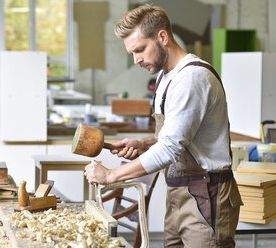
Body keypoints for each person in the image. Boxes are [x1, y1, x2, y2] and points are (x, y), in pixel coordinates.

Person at [84, 4, 243, 248]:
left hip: (206, 195)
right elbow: (177, 135)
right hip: (177, 193)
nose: (136, 59)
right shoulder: (164, 76)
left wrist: (110, 176)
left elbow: (170, 149)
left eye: (140, 50)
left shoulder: (192, 78)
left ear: (162, 37)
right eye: (132, 53)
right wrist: (144, 143)